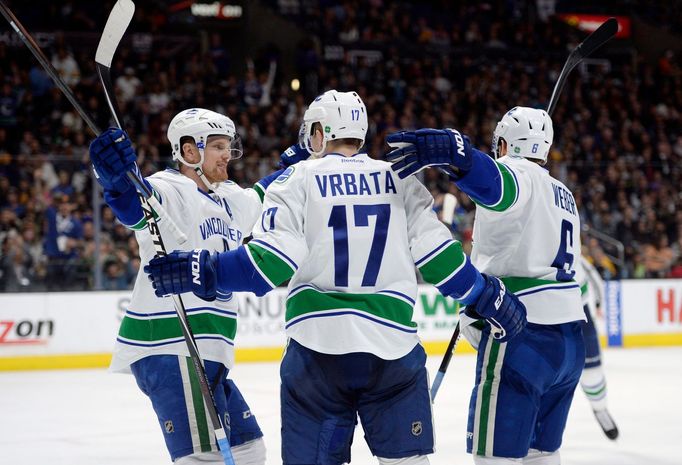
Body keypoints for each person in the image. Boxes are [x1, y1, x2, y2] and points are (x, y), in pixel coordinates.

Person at [144, 90, 527, 465]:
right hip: (392, 350)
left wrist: (202, 270)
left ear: (319, 133)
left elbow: (269, 265)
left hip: (317, 353)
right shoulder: (399, 178)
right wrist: (483, 294)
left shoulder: (296, 178)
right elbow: (440, 260)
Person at [385, 107, 586, 464]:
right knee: (541, 454)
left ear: (505, 143)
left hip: (523, 332)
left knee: (495, 457)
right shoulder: (563, 192)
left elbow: (495, 183)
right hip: (570, 341)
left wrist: (457, 157)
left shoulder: (519, 174)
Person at [88, 108, 287, 465]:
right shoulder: (170, 189)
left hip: (207, 352)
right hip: (173, 347)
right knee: (204, 458)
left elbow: (267, 193)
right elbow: (134, 205)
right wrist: (115, 178)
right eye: (217, 146)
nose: (227, 154)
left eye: (229, 145)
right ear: (189, 151)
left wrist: (306, 158)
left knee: (249, 451)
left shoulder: (228, 199)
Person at [577, 254, 619, 440]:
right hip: (544, 314)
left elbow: (591, 273)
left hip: (580, 313)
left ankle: (600, 408)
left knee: (592, 371)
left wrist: (599, 301)